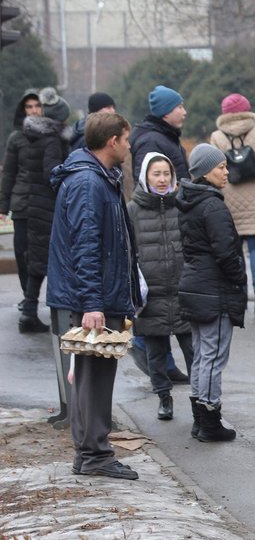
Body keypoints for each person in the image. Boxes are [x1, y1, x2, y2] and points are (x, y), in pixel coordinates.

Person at [47, 111, 140, 480]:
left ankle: (89, 453)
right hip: (93, 297)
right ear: (112, 141)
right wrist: (93, 305)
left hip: (98, 294)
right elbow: (85, 247)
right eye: (126, 138)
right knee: (95, 376)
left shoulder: (98, 177)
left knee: (92, 375)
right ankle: (95, 455)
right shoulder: (89, 181)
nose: (130, 146)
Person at [176, 143, 247, 442]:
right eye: (220, 167)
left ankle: (199, 418)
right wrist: (239, 276)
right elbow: (225, 251)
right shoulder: (212, 205)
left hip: (196, 285)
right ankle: (209, 419)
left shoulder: (191, 201)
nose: (226, 171)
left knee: (202, 356)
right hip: (214, 290)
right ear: (206, 171)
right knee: (214, 356)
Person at [128, 152, 195, 422]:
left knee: (193, 348)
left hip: (182, 289)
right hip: (150, 292)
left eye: (166, 173)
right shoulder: (132, 209)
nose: (162, 179)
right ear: (146, 176)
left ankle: (199, 397)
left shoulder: (181, 206)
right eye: (156, 174)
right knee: (155, 351)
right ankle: (163, 397)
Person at [209, 93, 255, 317]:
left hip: (228, 196)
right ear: (247, 109)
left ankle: (240, 295)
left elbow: (211, 168)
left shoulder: (217, 136)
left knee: (234, 249)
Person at [18, 87, 73, 334]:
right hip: (48, 206)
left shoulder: (36, 136)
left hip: (36, 204)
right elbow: (50, 171)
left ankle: (29, 312)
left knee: (38, 262)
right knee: (51, 261)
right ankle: (51, 313)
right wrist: (67, 178)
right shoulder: (52, 139)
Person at [0, 89, 42, 301]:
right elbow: (9, 172)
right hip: (22, 203)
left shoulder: (50, 134)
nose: (34, 110)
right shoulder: (16, 138)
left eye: (37, 106)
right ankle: (28, 295)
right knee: (21, 251)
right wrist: (2, 206)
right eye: (29, 107)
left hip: (45, 203)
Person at [130, 85, 190, 193]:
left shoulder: (168, 137)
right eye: (180, 107)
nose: (184, 112)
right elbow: (145, 188)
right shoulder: (150, 142)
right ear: (166, 112)